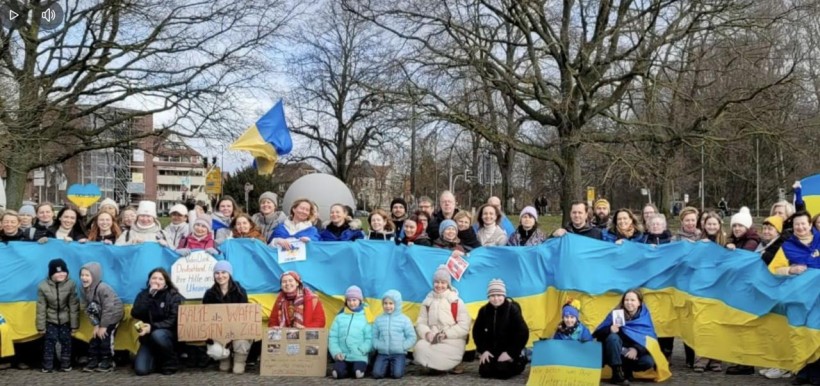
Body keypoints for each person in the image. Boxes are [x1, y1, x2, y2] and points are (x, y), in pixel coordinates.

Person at [413, 265, 471, 374]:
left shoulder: (456, 301)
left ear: (448, 284)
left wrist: (446, 334)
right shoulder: (427, 301)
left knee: (442, 356)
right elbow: (421, 323)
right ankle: (435, 365)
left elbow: (464, 326)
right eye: (437, 282)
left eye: (443, 282)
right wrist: (427, 333)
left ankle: (447, 364)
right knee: (419, 347)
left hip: (452, 338)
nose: (439, 285)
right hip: (432, 338)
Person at [593, 289, 658, 385]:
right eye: (626, 300)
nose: (629, 303)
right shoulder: (615, 314)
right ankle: (617, 374)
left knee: (648, 361)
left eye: (632, 300)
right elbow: (597, 333)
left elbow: (650, 339)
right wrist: (609, 329)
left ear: (639, 303)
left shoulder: (644, 317)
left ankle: (627, 370)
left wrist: (636, 349)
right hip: (615, 351)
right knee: (613, 337)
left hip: (632, 353)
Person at [131, 268, 185, 376]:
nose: (156, 281)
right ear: (149, 281)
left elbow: (173, 320)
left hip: (167, 335)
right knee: (141, 370)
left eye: (160, 279)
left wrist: (152, 327)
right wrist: (149, 297)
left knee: (157, 334)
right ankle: (157, 359)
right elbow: (135, 313)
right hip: (148, 339)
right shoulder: (143, 295)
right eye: (154, 278)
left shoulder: (173, 296)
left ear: (166, 282)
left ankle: (171, 361)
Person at [472, 279, 528, 379]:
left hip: (508, 351)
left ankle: (518, 363)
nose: (496, 298)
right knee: (485, 372)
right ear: (488, 296)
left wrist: (510, 353)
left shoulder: (512, 310)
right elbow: (477, 332)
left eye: (499, 295)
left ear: (504, 295)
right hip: (491, 351)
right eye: (492, 295)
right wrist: (483, 350)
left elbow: (523, 333)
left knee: (502, 372)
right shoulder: (483, 311)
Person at [202, 261, 251, 374]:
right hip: (218, 330)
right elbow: (205, 316)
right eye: (217, 273)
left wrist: (233, 333)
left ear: (229, 274)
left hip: (237, 329)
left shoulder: (240, 292)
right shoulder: (209, 294)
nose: (220, 276)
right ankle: (225, 358)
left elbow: (245, 316)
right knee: (216, 351)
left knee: (242, 342)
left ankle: (239, 361)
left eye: (224, 272)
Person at [79, 262, 124, 372]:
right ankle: (94, 358)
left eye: (87, 275)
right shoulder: (84, 289)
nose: (84, 278)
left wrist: (103, 326)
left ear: (95, 276)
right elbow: (88, 308)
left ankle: (108, 360)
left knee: (105, 336)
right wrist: (96, 324)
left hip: (113, 315)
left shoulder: (103, 288)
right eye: (82, 275)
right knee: (95, 337)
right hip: (100, 315)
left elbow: (108, 308)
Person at [37, 258, 80, 372]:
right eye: (57, 272)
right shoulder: (43, 286)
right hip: (51, 319)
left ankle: (65, 365)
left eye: (63, 272)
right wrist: (41, 327)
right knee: (49, 341)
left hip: (65, 318)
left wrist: (74, 326)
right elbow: (41, 308)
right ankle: (47, 366)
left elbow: (73, 305)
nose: (61, 274)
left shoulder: (71, 284)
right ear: (51, 273)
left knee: (66, 341)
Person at [329, 285, 372, 379]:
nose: (352, 303)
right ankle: (345, 370)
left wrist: (363, 349)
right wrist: (336, 353)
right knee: (336, 374)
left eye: (354, 300)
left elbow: (370, 338)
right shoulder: (339, 317)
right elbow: (333, 337)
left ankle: (360, 368)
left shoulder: (366, 317)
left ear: (360, 300)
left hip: (359, 355)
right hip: (343, 356)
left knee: (357, 373)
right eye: (349, 300)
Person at [372, 290, 416, 379]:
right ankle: (387, 366)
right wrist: (377, 345)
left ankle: (399, 363)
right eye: (385, 303)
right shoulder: (379, 319)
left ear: (397, 304)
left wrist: (403, 346)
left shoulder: (404, 320)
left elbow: (412, 337)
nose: (388, 306)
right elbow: (374, 336)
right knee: (377, 374)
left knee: (397, 375)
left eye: (391, 303)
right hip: (383, 353)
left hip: (398, 353)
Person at [768, 211, 820, 276]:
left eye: (803, 224)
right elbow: (773, 269)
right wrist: (790, 270)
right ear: (793, 226)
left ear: (810, 225)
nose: (800, 227)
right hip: (802, 281)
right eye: (797, 224)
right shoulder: (786, 246)